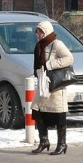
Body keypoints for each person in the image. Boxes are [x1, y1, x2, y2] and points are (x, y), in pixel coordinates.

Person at [31, 20, 74, 155]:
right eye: (37, 32)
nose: (38, 35)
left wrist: (50, 64)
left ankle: (62, 144)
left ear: (46, 32)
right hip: (43, 82)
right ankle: (44, 141)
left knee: (59, 114)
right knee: (36, 110)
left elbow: (69, 58)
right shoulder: (39, 46)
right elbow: (37, 63)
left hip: (55, 84)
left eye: (40, 32)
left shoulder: (57, 44)